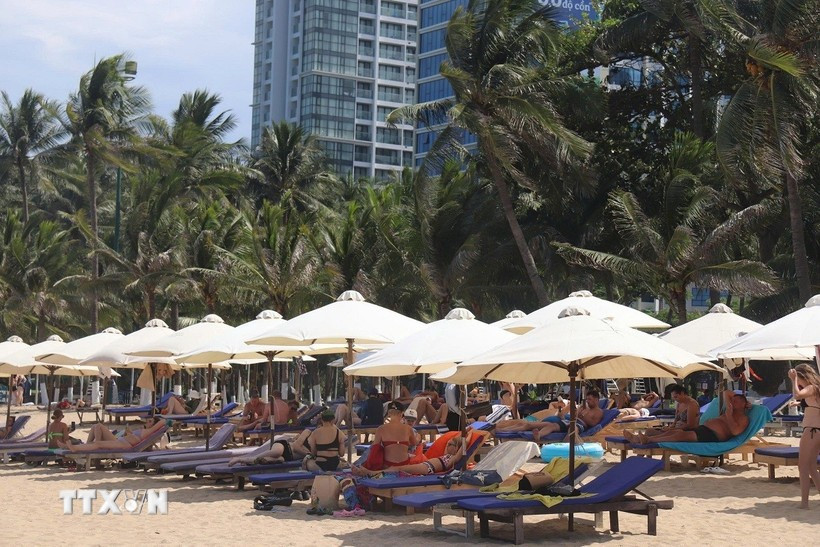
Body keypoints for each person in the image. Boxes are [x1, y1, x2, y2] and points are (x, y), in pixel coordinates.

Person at [630, 390, 749, 445]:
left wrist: (729, 415)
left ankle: (648, 440)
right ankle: (642, 438)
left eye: (736, 401)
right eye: (732, 401)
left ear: (744, 405)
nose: (733, 403)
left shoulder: (743, 418)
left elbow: (735, 431)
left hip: (713, 435)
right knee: (676, 431)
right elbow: (726, 392)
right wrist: (732, 407)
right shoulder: (730, 410)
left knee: (680, 434)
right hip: (705, 429)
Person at [496, 390, 605, 442]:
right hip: (569, 420)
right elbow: (569, 415)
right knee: (551, 425)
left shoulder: (598, 411)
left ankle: (567, 445)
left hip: (580, 425)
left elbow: (593, 423)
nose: (588, 401)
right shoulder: (583, 407)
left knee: (573, 429)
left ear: (596, 400)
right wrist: (576, 412)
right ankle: (537, 435)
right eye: (588, 399)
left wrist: (582, 416)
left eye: (590, 399)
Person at [788, 364, 820, 509]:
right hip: (816, 429)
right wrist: (800, 403)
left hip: (812, 430)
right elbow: (809, 401)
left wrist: (793, 379)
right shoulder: (816, 388)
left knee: (803, 466)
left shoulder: (812, 387)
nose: (799, 384)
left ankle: (804, 503)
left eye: (799, 380)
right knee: (812, 466)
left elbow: (798, 394)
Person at [353, 437, 464, 477]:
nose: (447, 446)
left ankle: (370, 473)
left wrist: (466, 439)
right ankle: (372, 471)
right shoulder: (447, 455)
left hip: (428, 468)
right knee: (398, 467)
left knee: (399, 469)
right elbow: (452, 442)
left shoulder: (453, 459)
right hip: (426, 465)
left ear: (457, 448)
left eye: (450, 445)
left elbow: (462, 448)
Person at [362, 402, 424, 470]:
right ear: (401, 414)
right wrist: (418, 437)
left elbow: (375, 449)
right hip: (404, 464)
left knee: (371, 447)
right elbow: (414, 443)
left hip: (387, 465)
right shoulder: (408, 428)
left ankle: (359, 466)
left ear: (388, 413)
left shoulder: (381, 429)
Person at [57, 415, 166, 452]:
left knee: (98, 442)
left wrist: (164, 417)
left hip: (123, 444)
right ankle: (73, 447)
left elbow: (163, 421)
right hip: (121, 440)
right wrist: (128, 433)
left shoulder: (149, 432)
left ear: (154, 425)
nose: (148, 421)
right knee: (97, 427)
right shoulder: (144, 430)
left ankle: (75, 448)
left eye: (151, 421)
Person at [625, 385, 699, 438]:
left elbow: (690, 425)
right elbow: (675, 421)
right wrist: (668, 427)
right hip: (675, 429)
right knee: (649, 431)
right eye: (674, 398)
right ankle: (644, 454)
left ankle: (640, 440)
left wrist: (671, 429)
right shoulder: (679, 404)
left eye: (676, 397)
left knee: (670, 433)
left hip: (685, 432)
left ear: (682, 393)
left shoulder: (692, 404)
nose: (675, 399)